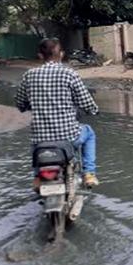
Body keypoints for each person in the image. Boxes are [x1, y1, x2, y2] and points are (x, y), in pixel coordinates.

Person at [15, 38, 100, 187]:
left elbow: (20, 103)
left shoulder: (29, 75)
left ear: (40, 56)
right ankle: (89, 173)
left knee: (35, 143)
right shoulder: (69, 74)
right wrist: (94, 110)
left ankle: (37, 177)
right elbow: (86, 102)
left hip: (41, 140)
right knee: (89, 132)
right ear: (61, 54)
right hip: (68, 137)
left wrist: (29, 105)